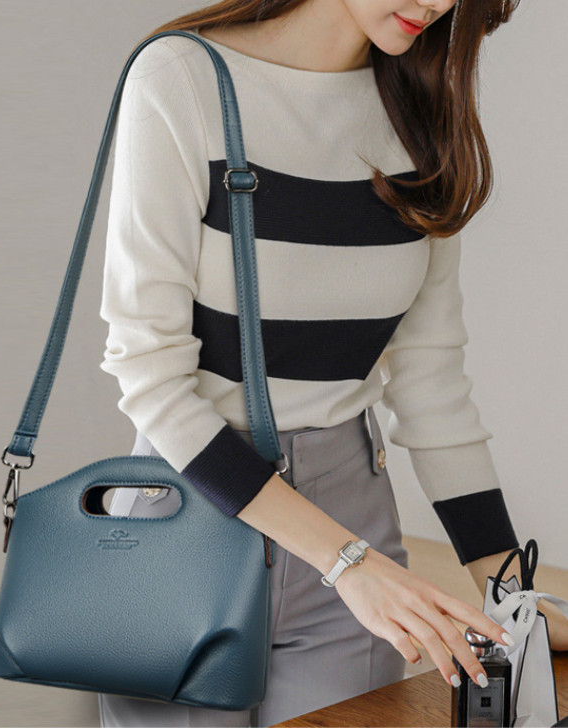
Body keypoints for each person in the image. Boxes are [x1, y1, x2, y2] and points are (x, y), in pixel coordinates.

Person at [96, 0, 525, 725]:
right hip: (192, 512)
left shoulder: (421, 111)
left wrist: (514, 598)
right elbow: (150, 375)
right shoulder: (182, 78)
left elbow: (431, 381)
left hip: (354, 514)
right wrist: (347, 562)